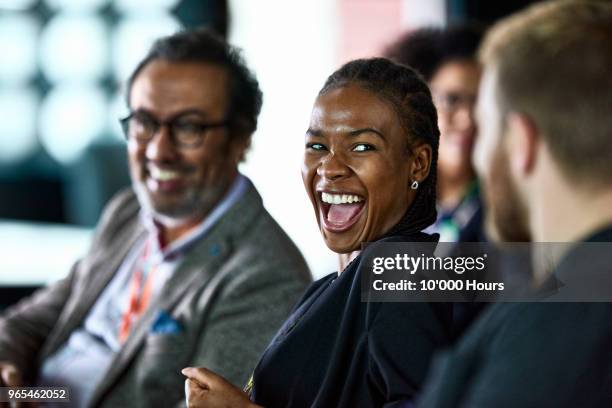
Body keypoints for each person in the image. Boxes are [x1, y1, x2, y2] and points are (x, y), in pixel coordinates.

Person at [0, 29, 311, 407]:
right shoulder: (129, 211)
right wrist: (9, 373)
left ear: (240, 139)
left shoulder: (266, 277)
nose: (159, 152)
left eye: (188, 127)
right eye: (145, 123)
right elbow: (33, 320)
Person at [182, 58, 453, 407]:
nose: (330, 167)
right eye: (317, 146)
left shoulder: (401, 272)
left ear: (418, 163)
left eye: (362, 147)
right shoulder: (330, 287)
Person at [417, 1, 612, 406]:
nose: (471, 133)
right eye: (452, 101)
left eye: (485, 123)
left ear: (521, 142)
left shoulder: (553, 333)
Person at [385, 25, 484, 243]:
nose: (468, 119)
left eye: (480, 102)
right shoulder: (388, 209)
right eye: (451, 100)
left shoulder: (506, 211)